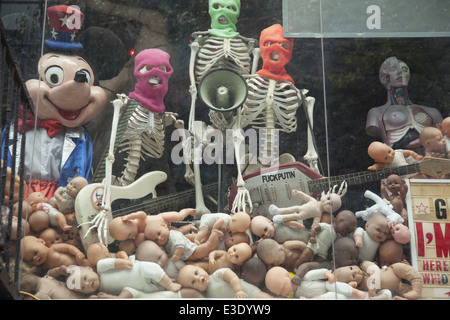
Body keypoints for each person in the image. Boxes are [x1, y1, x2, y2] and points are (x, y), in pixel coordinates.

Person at [366, 56, 443, 155]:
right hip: (400, 164)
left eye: (404, 69)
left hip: (431, 163)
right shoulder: (376, 113)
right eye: (394, 69)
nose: (400, 72)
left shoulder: (432, 112)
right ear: (384, 77)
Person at [177, 265, 273, 298]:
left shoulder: (217, 275)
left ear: (200, 268)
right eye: (193, 282)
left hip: (247, 293)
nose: (197, 278)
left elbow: (232, 277)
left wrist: (238, 290)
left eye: (196, 273)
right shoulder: (207, 296)